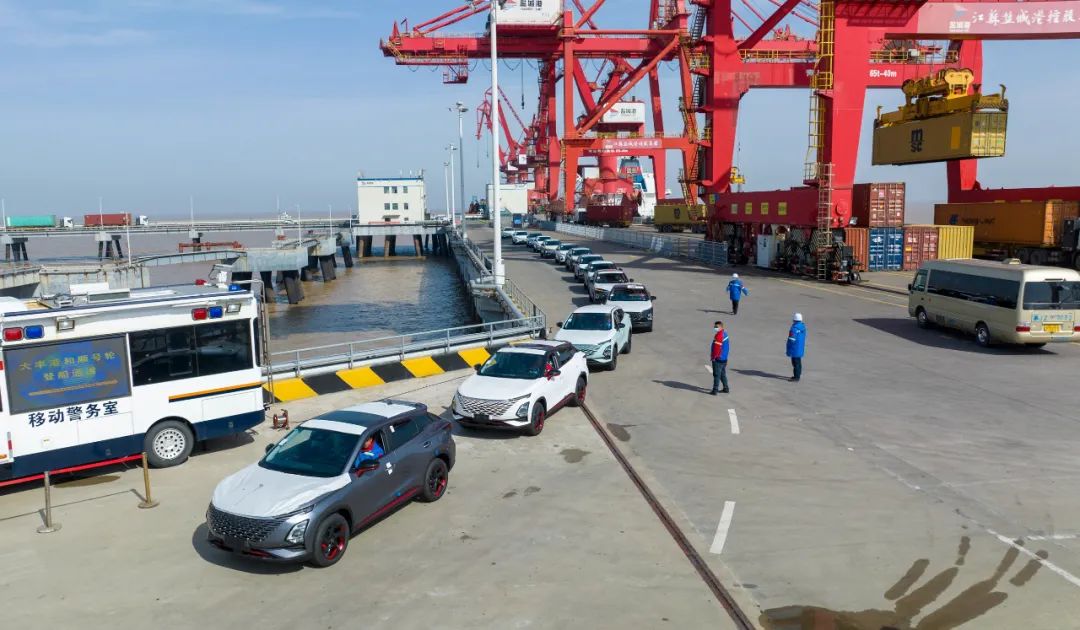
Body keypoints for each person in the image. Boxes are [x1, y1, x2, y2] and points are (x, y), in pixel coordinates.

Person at [709, 321, 730, 395]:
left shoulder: (719, 336)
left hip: (718, 359)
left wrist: (713, 357)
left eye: (716, 327)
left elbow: (716, 348)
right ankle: (726, 388)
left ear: (721, 327)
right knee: (722, 374)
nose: (715, 328)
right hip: (724, 358)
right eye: (715, 326)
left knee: (716, 375)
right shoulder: (725, 334)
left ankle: (715, 390)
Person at [786, 313, 807, 382]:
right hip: (800, 347)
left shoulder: (794, 328)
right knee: (798, 362)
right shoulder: (803, 327)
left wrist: (789, 347)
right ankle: (798, 375)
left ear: (794, 320)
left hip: (794, 348)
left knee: (795, 363)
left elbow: (792, 339)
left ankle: (796, 377)